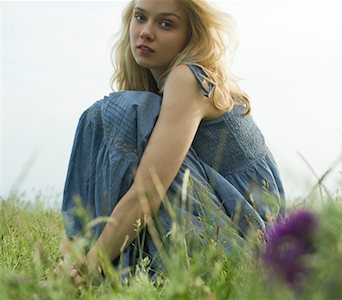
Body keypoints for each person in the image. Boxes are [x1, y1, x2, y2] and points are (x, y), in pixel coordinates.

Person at [60, 0, 285, 285]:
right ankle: (80, 261)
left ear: (191, 36)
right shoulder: (159, 88)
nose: (145, 32)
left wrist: (92, 267)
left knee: (118, 112)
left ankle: (88, 268)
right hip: (232, 232)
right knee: (126, 112)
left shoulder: (188, 77)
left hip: (245, 245)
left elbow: (148, 191)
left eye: (166, 24)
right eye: (140, 18)